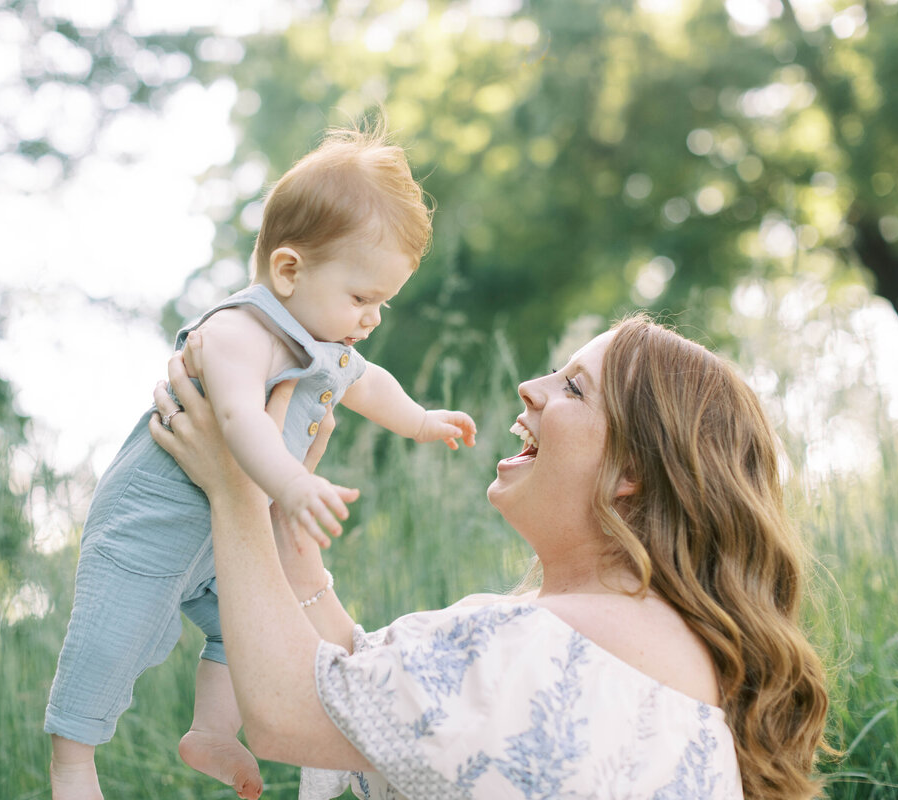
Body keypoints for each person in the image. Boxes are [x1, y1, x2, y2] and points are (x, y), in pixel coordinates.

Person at [148, 314, 831, 799]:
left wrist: (234, 485)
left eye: (573, 388)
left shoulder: (544, 645)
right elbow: (363, 697)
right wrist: (285, 531)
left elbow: (289, 713)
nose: (530, 388)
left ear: (632, 471)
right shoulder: (641, 647)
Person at [45, 126, 477, 800]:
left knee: (243, 632)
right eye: (362, 298)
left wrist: (421, 421)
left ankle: (212, 732)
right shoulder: (239, 332)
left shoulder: (324, 340)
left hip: (219, 540)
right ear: (288, 270)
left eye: (383, 304)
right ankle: (73, 763)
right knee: (108, 641)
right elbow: (240, 419)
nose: (371, 320)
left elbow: (370, 383)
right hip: (153, 522)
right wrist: (292, 482)